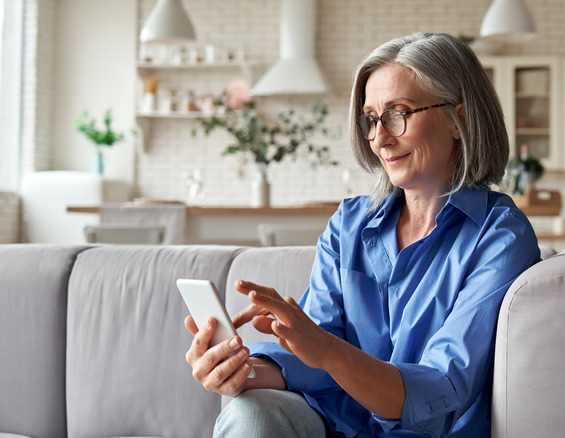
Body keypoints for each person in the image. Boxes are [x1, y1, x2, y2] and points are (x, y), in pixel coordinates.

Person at [185, 32, 540, 437]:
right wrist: (239, 370)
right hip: (336, 427)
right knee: (249, 410)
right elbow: (314, 357)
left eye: (398, 113)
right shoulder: (349, 224)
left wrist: (327, 351)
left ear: (458, 119)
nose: (379, 137)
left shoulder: (499, 236)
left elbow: (441, 392)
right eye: (371, 119)